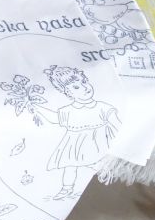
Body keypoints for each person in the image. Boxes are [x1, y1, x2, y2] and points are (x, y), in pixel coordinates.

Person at [35, 65, 121, 200]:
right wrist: (37, 108)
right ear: (68, 93)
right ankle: (66, 188)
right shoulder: (67, 110)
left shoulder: (103, 107)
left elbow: (117, 125)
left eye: (84, 81)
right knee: (70, 166)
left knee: (98, 163)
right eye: (76, 87)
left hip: (97, 143)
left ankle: (103, 174)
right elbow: (54, 119)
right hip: (74, 146)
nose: (85, 87)